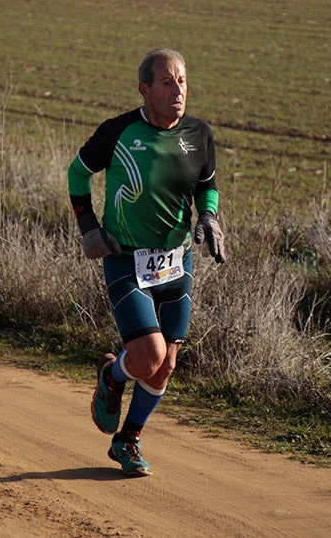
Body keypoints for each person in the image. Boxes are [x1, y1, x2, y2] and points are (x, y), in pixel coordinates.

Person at [67, 47, 226, 476]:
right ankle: (113, 375)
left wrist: (209, 217)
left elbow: (207, 185)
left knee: (167, 363)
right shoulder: (118, 131)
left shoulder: (200, 133)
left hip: (177, 262)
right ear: (144, 89)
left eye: (183, 81)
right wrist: (89, 229)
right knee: (149, 355)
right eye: (167, 82)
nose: (178, 91)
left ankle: (128, 440)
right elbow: (77, 174)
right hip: (126, 258)